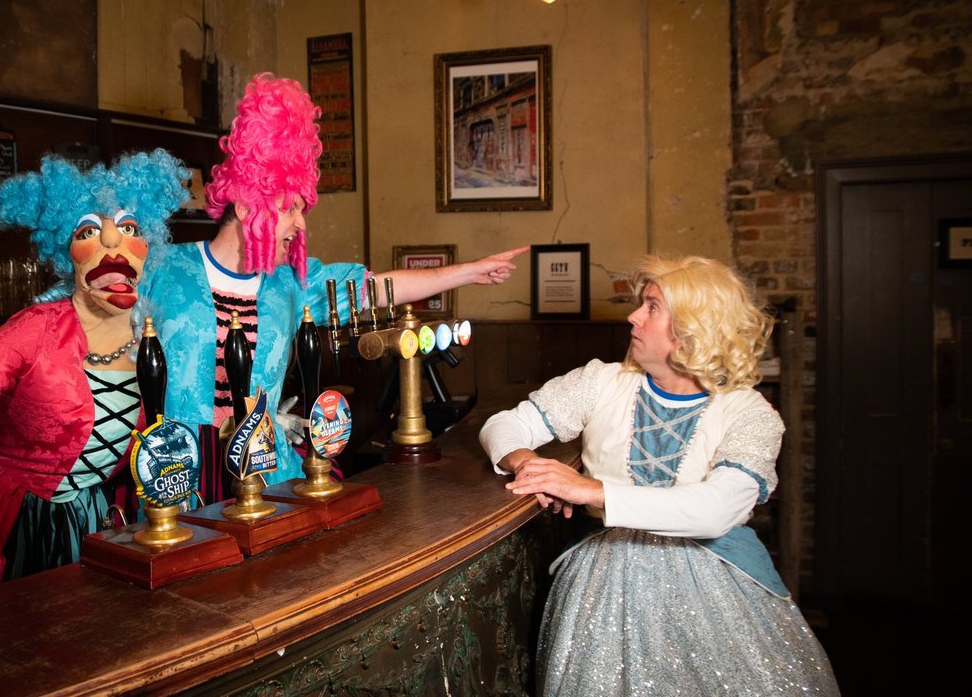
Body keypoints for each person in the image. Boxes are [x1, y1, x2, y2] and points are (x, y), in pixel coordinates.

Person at [145, 73, 524, 498]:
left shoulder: (292, 285)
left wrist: (467, 272)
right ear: (245, 203)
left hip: (266, 483)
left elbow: (377, 288)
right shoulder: (160, 268)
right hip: (175, 483)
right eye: (289, 208)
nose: (301, 223)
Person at [479, 254, 839, 696]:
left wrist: (588, 489)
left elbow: (718, 509)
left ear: (693, 327)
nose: (633, 316)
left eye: (651, 306)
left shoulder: (749, 413)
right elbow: (503, 425)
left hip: (716, 581)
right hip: (602, 579)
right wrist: (523, 461)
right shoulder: (602, 382)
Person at [0, 149, 189, 606]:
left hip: (101, 520)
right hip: (20, 524)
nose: (114, 247)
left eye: (129, 230)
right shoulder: (35, 328)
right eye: (90, 232)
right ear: (65, 253)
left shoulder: (149, 341)